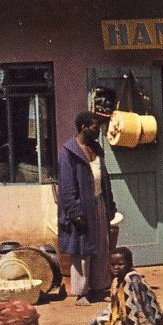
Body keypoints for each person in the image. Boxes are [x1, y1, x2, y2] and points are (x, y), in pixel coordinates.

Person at [57, 111, 117, 306]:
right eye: (94, 126)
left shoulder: (96, 149)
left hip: (98, 204)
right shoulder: (69, 151)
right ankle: (81, 292)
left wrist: (110, 205)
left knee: (101, 245)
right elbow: (66, 186)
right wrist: (75, 211)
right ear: (83, 127)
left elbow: (104, 178)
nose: (98, 129)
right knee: (82, 249)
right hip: (81, 207)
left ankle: (99, 288)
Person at [88, 246, 161, 325]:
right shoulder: (116, 280)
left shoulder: (132, 279)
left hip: (143, 318)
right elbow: (114, 306)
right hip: (124, 317)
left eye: (120, 264)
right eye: (113, 264)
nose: (116, 267)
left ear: (130, 264)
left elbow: (137, 307)